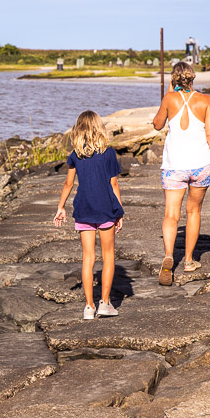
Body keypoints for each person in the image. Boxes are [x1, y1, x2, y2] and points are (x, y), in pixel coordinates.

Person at [152, 62, 210, 285]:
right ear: (192, 78)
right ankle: (188, 261)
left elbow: (157, 125)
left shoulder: (169, 99)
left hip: (174, 165)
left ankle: (168, 256)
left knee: (171, 214)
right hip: (202, 165)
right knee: (193, 211)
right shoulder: (206, 100)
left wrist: (167, 95)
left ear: (174, 80)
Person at [54, 110, 124, 319]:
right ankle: (105, 302)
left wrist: (61, 207)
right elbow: (113, 184)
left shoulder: (76, 155)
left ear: (78, 130)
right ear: (99, 129)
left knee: (88, 259)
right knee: (108, 256)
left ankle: (88, 307)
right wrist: (120, 212)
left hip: (83, 209)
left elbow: (68, 183)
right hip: (105, 210)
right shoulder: (109, 153)